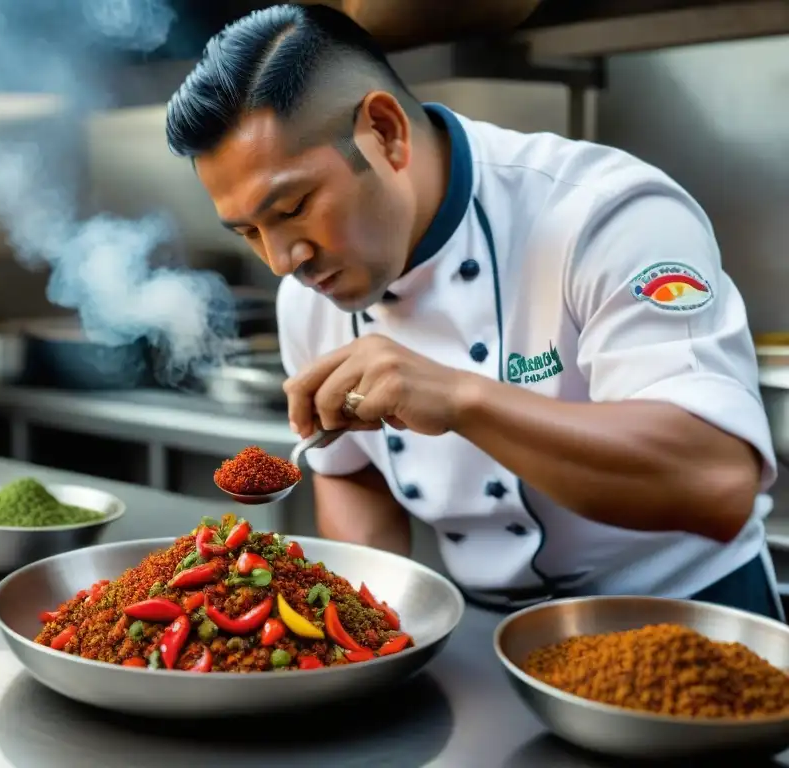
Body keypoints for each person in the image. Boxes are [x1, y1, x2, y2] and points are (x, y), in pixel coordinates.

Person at [165, 4, 781, 618]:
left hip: (692, 616)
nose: (280, 259)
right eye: (248, 231)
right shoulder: (306, 293)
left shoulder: (603, 213)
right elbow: (351, 472)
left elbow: (717, 481)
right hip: (484, 630)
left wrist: (463, 398)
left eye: (294, 205)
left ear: (383, 132)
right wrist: (363, 630)